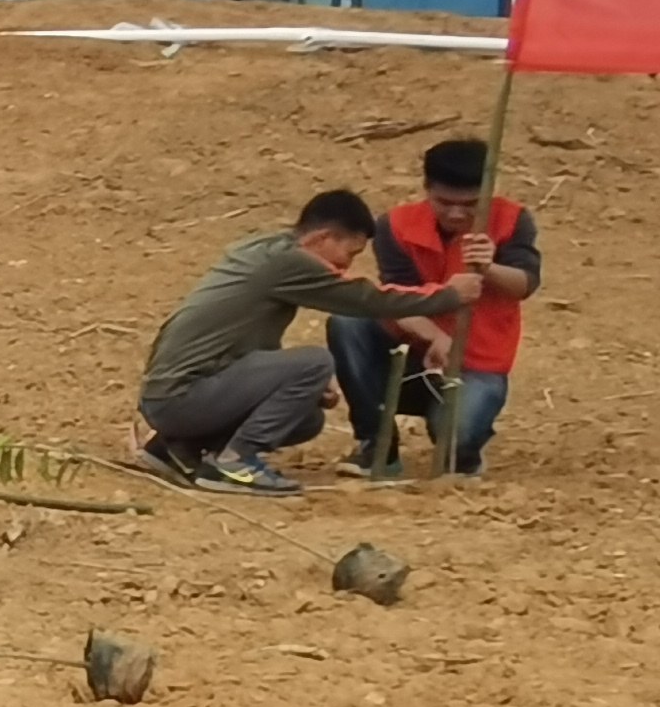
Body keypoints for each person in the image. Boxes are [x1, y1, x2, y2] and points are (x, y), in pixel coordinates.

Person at [133, 186, 480, 497]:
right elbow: (367, 300)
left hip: (172, 395)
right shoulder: (292, 264)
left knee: (306, 418)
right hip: (180, 397)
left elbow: (242, 344)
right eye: (350, 253)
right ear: (322, 238)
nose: (346, 266)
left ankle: (174, 447)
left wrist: (296, 383)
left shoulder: (265, 250)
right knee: (315, 361)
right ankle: (234, 464)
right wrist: (447, 295)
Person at [335, 139, 539, 480]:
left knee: (455, 447)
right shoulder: (395, 225)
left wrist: (488, 267)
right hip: (414, 355)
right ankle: (377, 444)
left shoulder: (512, 220)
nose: (456, 213)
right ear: (427, 189)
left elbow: (525, 284)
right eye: (444, 202)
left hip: (477, 364)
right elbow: (396, 297)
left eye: (471, 204)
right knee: (348, 320)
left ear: (489, 192)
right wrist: (433, 336)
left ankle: (462, 444)